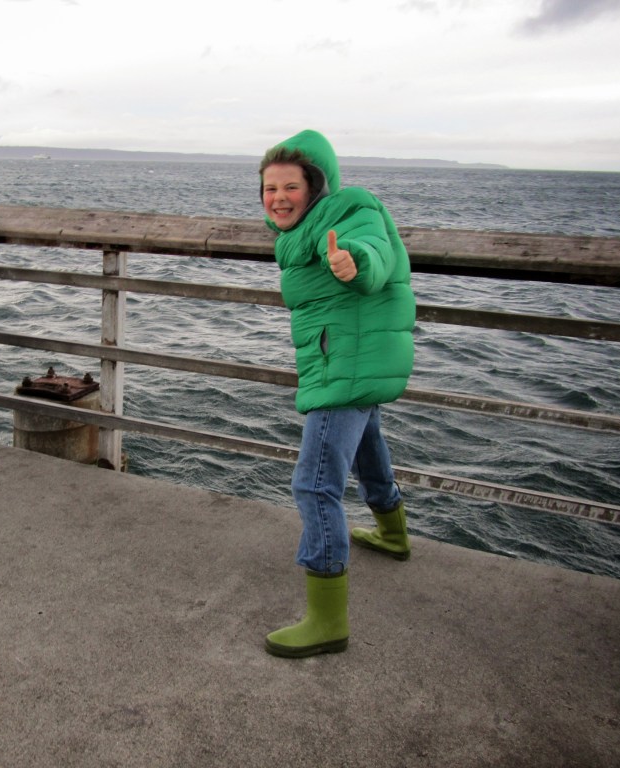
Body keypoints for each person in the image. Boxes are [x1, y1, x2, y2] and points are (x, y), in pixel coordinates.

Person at [259, 129, 416, 658]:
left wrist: (355, 262)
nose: (279, 198)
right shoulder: (300, 233)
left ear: (316, 186)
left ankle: (327, 620)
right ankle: (393, 533)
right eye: (270, 188)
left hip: (348, 358)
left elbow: (374, 251)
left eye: (291, 187)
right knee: (367, 447)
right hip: (349, 352)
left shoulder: (349, 210)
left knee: (314, 484)